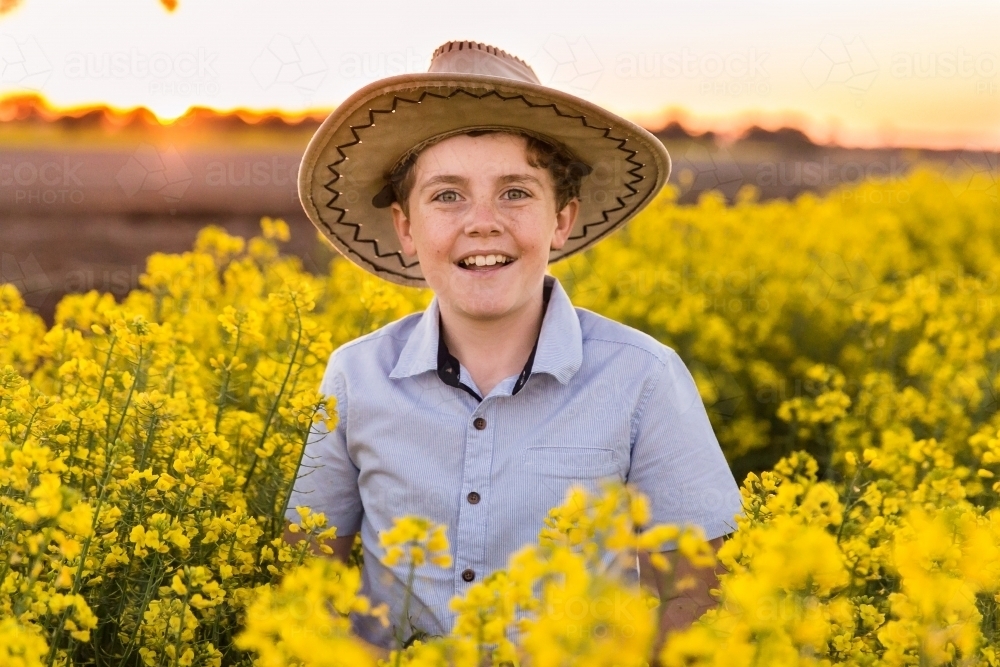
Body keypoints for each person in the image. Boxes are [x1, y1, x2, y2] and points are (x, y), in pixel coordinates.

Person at [284, 40, 743, 656]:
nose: (482, 222)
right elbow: (308, 579)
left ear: (562, 218)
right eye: (447, 195)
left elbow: (697, 594)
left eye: (516, 193)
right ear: (406, 229)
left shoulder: (642, 377)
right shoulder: (355, 377)